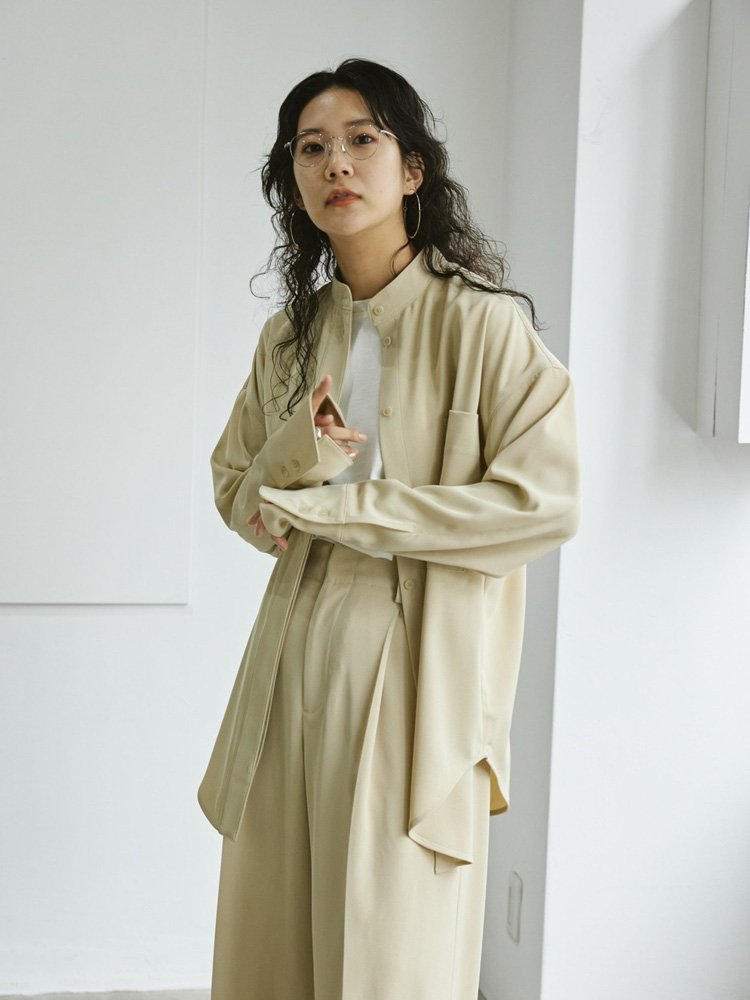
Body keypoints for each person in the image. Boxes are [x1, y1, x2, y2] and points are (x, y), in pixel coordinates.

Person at [199, 58, 580, 1000]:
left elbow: (545, 503)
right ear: (294, 182)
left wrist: (354, 509)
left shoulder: (485, 327)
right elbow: (238, 495)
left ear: (413, 168)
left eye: (362, 140)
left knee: (387, 952)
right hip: (290, 646)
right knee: (272, 947)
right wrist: (304, 450)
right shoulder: (288, 338)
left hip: (416, 662)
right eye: (311, 148)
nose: (337, 163)